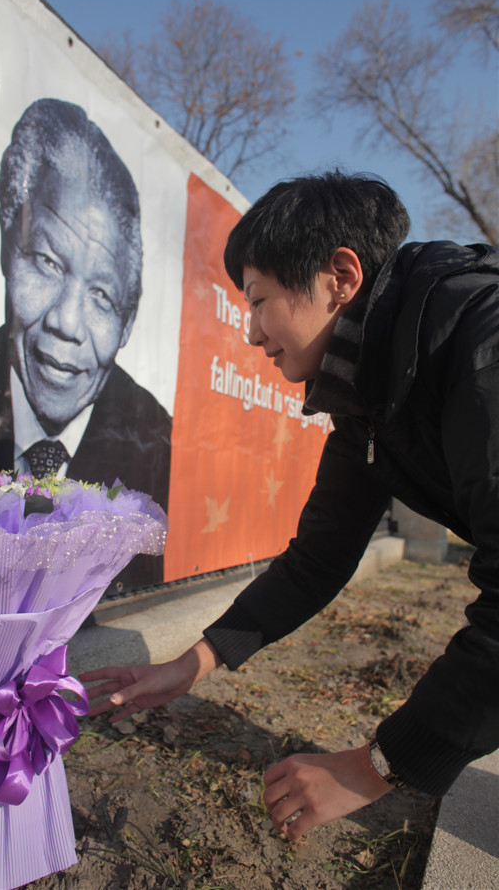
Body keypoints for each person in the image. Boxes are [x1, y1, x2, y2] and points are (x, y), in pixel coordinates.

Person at [81, 171, 499, 839]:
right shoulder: (373, 391)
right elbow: (318, 559)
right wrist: (193, 665)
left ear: (341, 276)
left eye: (259, 300)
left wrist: (370, 768)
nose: (251, 333)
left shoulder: (480, 344)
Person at [0, 98, 171, 594]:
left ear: (128, 322)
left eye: (101, 296)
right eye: (47, 261)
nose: (67, 324)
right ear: (8, 247)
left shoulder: (160, 442)